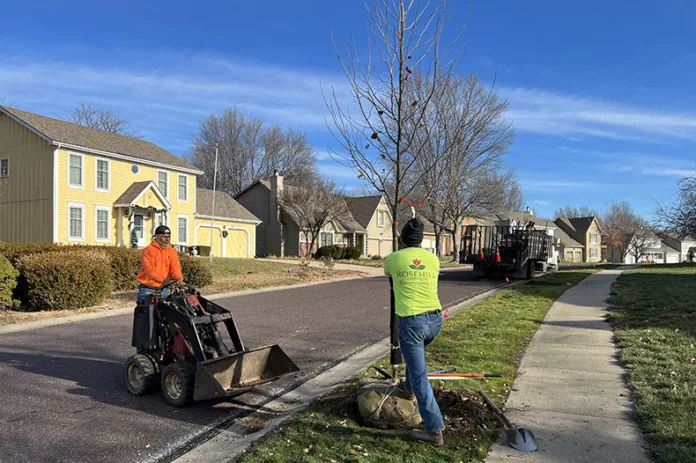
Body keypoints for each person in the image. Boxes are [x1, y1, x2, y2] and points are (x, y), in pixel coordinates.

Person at [384, 217, 445, 446]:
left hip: (412, 323)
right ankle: (408, 389)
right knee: (414, 360)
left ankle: (435, 430)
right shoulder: (434, 259)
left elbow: (388, 273)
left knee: (420, 376)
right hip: (435, 320)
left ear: (402, 238)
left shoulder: (394, 259)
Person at [136, 225, 184, 305]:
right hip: (147, 289)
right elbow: (149, 270)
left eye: (169, 236)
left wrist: (178, 278)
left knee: (164, 314)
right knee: (147, 315)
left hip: (163, 289)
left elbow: (175, 267)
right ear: (157, 237)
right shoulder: (148, 251)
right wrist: (162, 280)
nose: (167, 239)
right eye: (164, 237)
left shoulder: (172, 251)